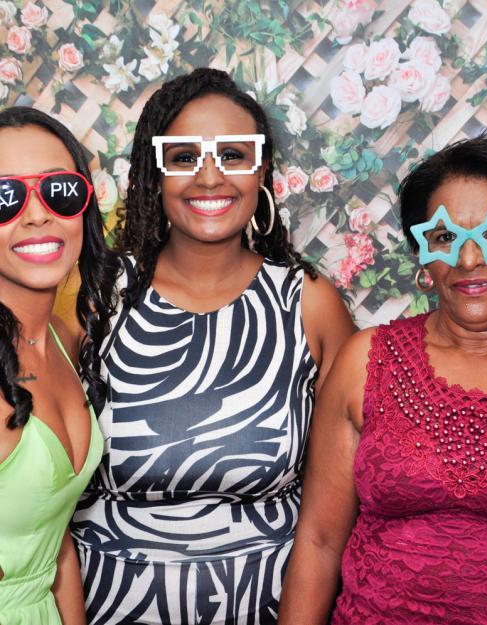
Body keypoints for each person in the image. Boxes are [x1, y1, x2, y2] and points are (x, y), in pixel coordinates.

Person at [278, 134, 487, 625]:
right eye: (444, 238)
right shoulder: (366, 361)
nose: (468, 259)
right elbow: (318, 542)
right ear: (422, 254)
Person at [71, 67, 353, 625]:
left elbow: (332, 518)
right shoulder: (96, 297)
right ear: (155, 173)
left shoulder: (309, 303)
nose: (209, 177)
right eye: (183, 157)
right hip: (108, 606)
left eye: (231, 154)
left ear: (261, 170)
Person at [0, 107, 117, 625]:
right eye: (5, 198)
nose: (36, 215)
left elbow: (53, 535)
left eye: (58, 191)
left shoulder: (64, 339)